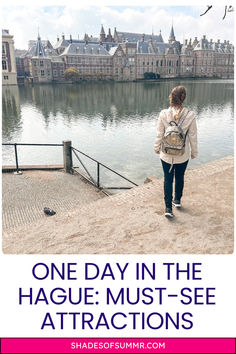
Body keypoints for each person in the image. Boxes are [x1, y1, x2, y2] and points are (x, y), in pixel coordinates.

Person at [154, 86, 198, 218]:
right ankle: (177, 200)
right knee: (180, 177)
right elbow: (193, 136)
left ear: (170, 97)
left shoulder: (163, 114)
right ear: (184, 98)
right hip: (182, 155)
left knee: (167, 180)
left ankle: (168, 208)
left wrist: (156, 148)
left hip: (166, 154)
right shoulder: (190, 115)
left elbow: (159, 134)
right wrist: (194, 152)